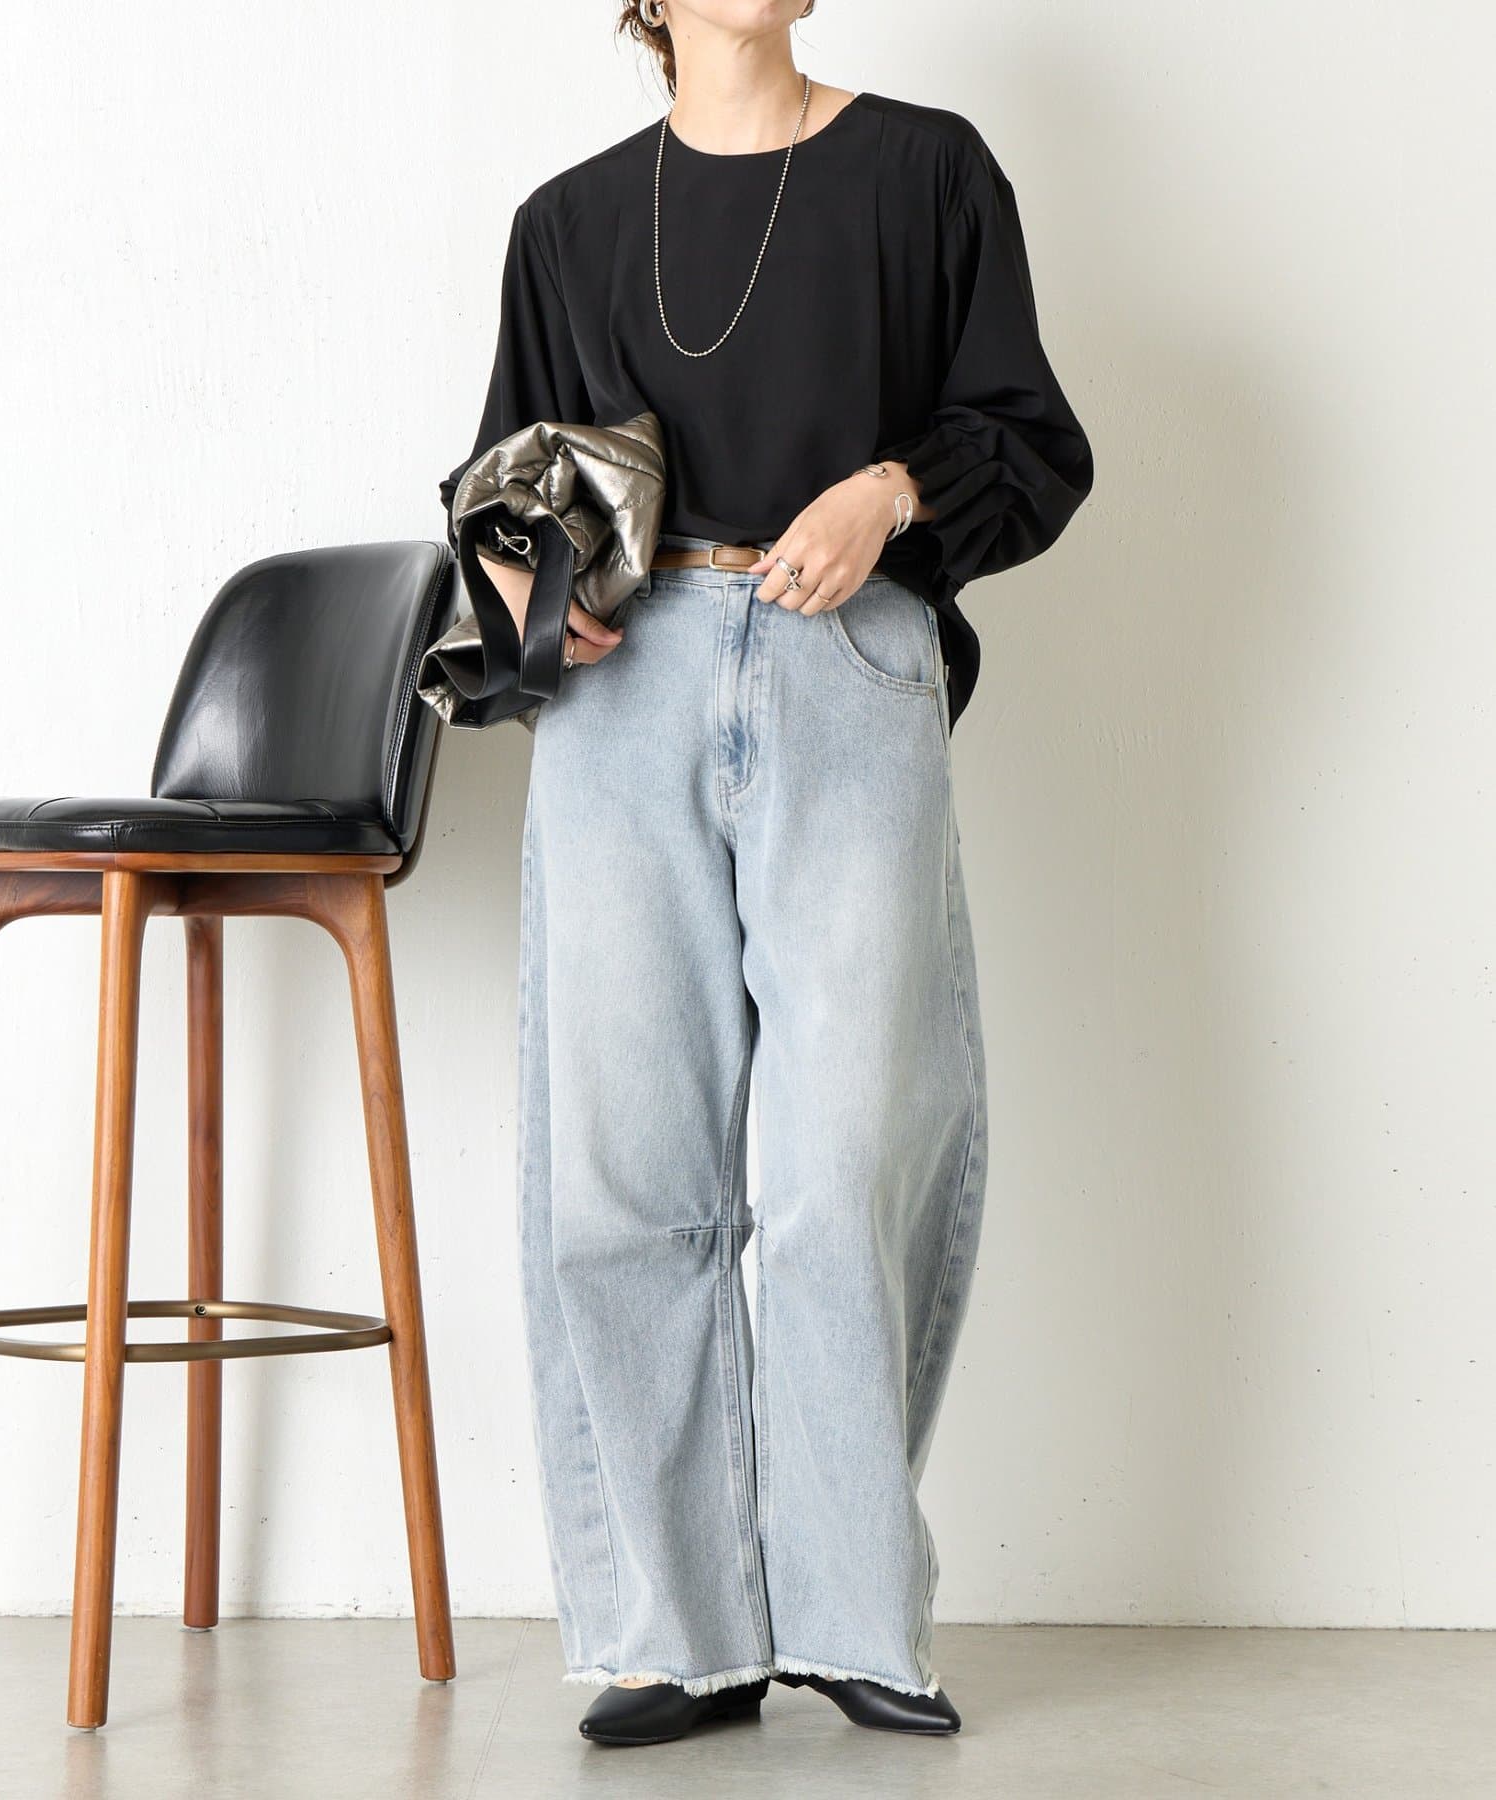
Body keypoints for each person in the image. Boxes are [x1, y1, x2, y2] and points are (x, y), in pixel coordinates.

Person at [438, 0, 1094, 1749]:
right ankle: (681, 1632)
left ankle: (856, 1611)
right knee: (621, 1171)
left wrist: (892, 491)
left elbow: (1036, 443)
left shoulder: (926, 173)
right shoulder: (570, 222)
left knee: (845, 1157)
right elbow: (504, 492)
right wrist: (536, 598)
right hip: (623, 697)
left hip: (845, 664)